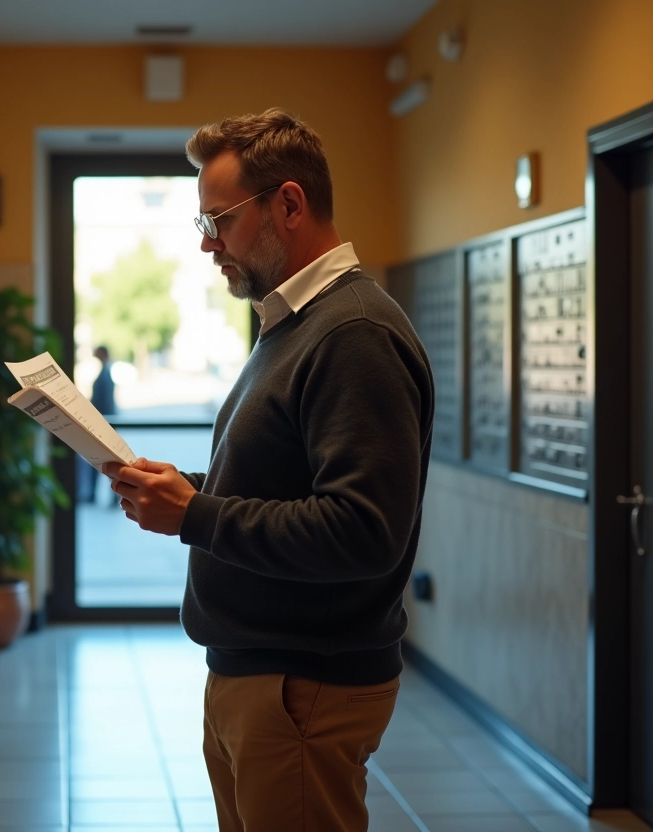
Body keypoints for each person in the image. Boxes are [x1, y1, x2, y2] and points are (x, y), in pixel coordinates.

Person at [102, 109, 434, 832]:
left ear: (288, 204)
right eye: (201, 225)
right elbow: (285, 478)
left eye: (218, 220)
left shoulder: (352, 333)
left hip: (302, 690)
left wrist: (196, 514)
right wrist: (186, 487)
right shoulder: (295, 325)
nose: (208, 245)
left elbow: (361, 530)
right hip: (259, 676)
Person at [78, 346, 117, 504]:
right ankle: (103, 494)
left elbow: (105, 403)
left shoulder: (105, 375)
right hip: (104, 424)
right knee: (101, 461)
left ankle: (111, 494)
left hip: (104, 425)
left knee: (104, 461)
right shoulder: (105, 373)